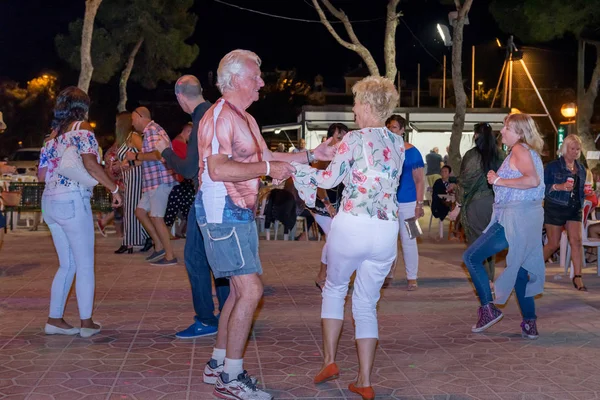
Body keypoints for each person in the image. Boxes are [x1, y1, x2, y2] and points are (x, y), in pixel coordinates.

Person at [197, 49, 335, 400]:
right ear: (236, 79)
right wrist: (265, 171)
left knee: (239, 290)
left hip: (237, 212)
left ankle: (217, 364)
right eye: (256, 76)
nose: (261, 82)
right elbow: (217, 169)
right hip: (222, 210)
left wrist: (311, 156)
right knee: (251, 291)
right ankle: (231, 377)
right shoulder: (218, 118)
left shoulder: (245, 118)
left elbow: (268, 158)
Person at [292, 76, 404, 400]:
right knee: (367, 304)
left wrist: (299, 171)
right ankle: (364, 380)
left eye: (356, 102)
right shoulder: (398, 142)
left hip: (353, 224)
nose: (353, 109)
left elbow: (328, 179)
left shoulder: (354, 139)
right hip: (386, 230)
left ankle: (329, 362)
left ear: (367, 105)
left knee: (335, 289)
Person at [39, 86, 122, 337]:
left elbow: (41, 174)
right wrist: (114, 189)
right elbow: (90, 165)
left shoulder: (51, 136)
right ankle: (87, 324)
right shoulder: (82, 129)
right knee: (85, 264)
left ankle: (55, 320)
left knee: (67, 265)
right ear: (83, 107)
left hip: (50, 202)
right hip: (72, 201)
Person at [155, 75, 230, 339]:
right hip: (220, 196)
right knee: (216, 260)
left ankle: (207, 320)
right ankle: (228, 315)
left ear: (179, 96)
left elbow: (189, 169)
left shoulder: (202, 118)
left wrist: (165, 151)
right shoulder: (215, 111)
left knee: (196, 259)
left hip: (207, 198)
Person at [462, 113, 545, 339]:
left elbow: (532, 180)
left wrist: (499, 181)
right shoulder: (524, 152)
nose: (502, 131)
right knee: (520, 270)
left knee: (471, 257)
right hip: (525, 218)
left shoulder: (519, 150)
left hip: (515, 220)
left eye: (507, 127)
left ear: (518, 132)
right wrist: (496, 177)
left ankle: (488, 309)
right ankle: (530, 324)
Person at [126, 107, 177, 266]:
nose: (133, 124)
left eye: (133, 120)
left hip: (159, 181)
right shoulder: (151, 131)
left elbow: (159, 154)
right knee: (140, 212)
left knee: (156, 217)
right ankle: (159, 246)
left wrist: (135, 156)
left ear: (141, 117)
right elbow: (152, 157)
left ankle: (170, 256)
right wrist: (133, 162)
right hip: (152, 182)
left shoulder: (152, 130)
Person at [454, 122, 503, 281]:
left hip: (475, 205)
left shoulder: (471, 155)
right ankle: (490, 281)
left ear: (476, 136)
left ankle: (484, 285)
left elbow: (464, 182)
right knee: (489, 244)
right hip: (496, 206)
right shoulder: (501, 155)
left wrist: (458, 205)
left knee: (476, 246)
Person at [542, 134, 588, 291]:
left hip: (574, 208)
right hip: (555, 207)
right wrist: (559, 186)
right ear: (565, 148)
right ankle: (531, 269)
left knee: (576, 241)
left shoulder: (581, 168)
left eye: (577, 149)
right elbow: (542, 188)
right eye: (572, 148)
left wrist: (585, 193)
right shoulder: (553, 166)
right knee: (553, 244)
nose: (574, 152)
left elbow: (580, 190)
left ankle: (578, 277)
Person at [386, 114, 425, 290]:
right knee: (387, 241)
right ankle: (388, 274)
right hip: (387, 204)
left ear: (402, 130)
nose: (390, 130)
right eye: (388, 127)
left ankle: (412, 277)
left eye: (394, 127)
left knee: (410, 240)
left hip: (409, 204)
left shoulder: (413, 152)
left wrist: (419, 204)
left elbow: (420, 181)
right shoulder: (383, 151)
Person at [313, 122, 349, 290]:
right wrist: (328, 205)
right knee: (333, 238)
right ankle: (323, 276)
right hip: (322, 205)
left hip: (338, 205)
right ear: (330, 138)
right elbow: (318, 183)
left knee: (334, 240)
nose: (342, 140)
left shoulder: (345, 153)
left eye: (344, 136)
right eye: (338, 136)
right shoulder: (323, 156)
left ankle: (327, 276)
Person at [115, 112, 151, 254]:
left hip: (136, 176)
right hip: (129, 177)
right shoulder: (125, 140)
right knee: (129, 210)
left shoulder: (134, 137)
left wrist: (131, 163)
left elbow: (146, 154)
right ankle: (130, 241)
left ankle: (138, 239)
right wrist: (119, 165)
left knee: (132, 209)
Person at [164, 123, 195, 238]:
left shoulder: (177, 142)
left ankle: (176, 231)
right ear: (188, 132)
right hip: (181, 181)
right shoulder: (179, 144)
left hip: (181, 181)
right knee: (183, 207)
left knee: (180, 207)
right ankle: (168, 232)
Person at [431, 165, 453, 237]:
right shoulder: (438, 182)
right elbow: (436, 196)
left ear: (449, 173)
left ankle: (458, 229)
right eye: (442, 171)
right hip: (440, 204)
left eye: (445, 171)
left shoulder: (453, 182)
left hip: (452, 202)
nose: (443, 173)